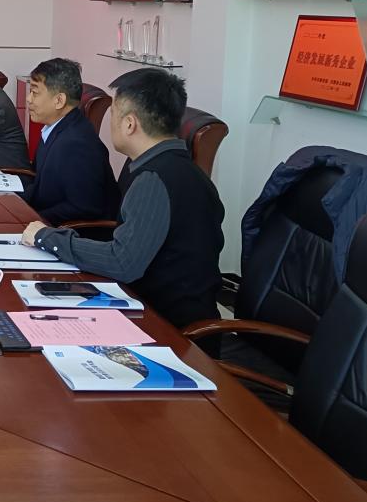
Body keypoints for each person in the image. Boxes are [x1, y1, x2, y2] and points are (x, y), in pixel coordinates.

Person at [21, 68, 224, 334]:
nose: (111, 124)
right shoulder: (170, 166)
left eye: (114, 115)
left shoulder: (154, 178)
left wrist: (47, 238)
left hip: (166, 328)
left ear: (130, 124)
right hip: (146, 305)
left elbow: (122, 262)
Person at [22, 58, 120, 226]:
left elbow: (84, 208)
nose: (28, 99)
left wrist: (33, 219)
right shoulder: (54, 127)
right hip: (47, 219)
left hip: (75, 233)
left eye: (35, 92)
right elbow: (39, 183)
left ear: (59, 100)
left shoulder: (77, 144)